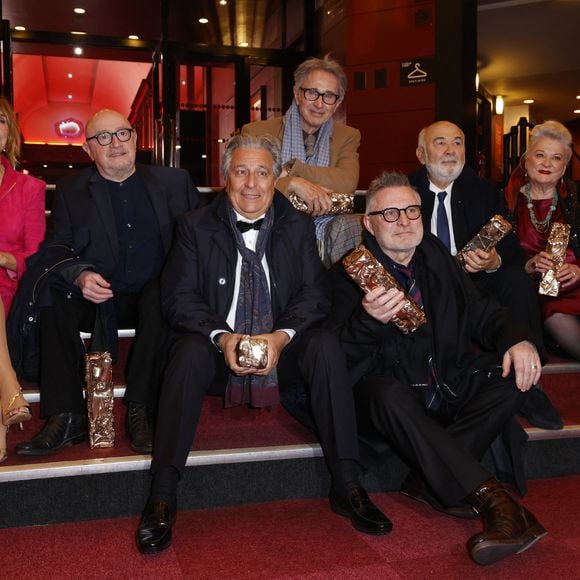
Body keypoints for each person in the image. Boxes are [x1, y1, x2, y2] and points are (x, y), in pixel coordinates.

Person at [136, 134, 391, 555]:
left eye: (262, 172)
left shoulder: (297, 224)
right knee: (187, 352)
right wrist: (223, 337)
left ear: (276, 179)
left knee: (325, 345)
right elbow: (178, 299)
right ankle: (163, 494)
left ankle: (348, 484)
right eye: (241, 171)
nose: (251, 183)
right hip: (219, 352)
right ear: (225, 177)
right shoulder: (194, 225)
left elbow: (315, 296)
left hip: (280, 350)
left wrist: (280, 337)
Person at [328, 171, 547, 566]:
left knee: (516, 373)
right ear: (368, 222)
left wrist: (518, 339)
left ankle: (429, 480)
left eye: (412, 210)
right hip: (385, 402)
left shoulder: (438, 260)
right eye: (390, 213)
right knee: (385, 393)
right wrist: (366, 321)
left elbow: (483, 312)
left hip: (444, 383)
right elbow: (331, 361)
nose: (404, 221)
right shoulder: (347, 276)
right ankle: (498, 504)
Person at [15, 109, 200, 458]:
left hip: (153, 293)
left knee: (165, 294)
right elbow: (57, 246)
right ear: (88, 150)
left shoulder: (173, 182)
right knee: (54, 295)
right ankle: (66, 414)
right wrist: (80, 274)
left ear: (134, 138)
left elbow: (201, 240)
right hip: (97, 295)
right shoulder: (72, 189)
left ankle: (141, 408)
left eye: (122, 133)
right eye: (103, 137)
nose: (115, 143)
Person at [409, 120, 563, 430]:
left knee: (515, 280)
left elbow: (513, 253)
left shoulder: (483, 192)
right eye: (441, 143)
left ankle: (530, 382)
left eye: (458, 142)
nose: (451, 151)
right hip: (425, 288)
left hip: (477, 286)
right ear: (421, 153)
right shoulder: (403, 192)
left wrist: (493, 260)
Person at [242, 55, 361, 259]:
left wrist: (293, 169)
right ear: (297, 94)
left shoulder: (348, 136)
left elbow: (347, 182)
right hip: (268, 229)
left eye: (329, 96)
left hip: (325, 236)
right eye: (312, 93)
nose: (319, 103)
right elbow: (249, 185)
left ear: (337, 102)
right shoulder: (256, 132)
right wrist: (293, 184)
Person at [504, 120, 580, 361]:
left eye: (556, 158)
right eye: (540, 155)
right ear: (527, 160)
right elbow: (497, 261)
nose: (547, 163)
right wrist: (527, 266)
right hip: (535, 293)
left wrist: (579, 269)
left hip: (577, 282)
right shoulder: (505, 203)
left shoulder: (576, 201)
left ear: (565, 166)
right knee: (555, 311)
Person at [0, 96, 45, 447]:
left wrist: (3, 258)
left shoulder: (29, 189)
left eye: (0, 121)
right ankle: (11, 394)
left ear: (9, 134)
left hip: (10, 290)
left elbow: (35, 255)